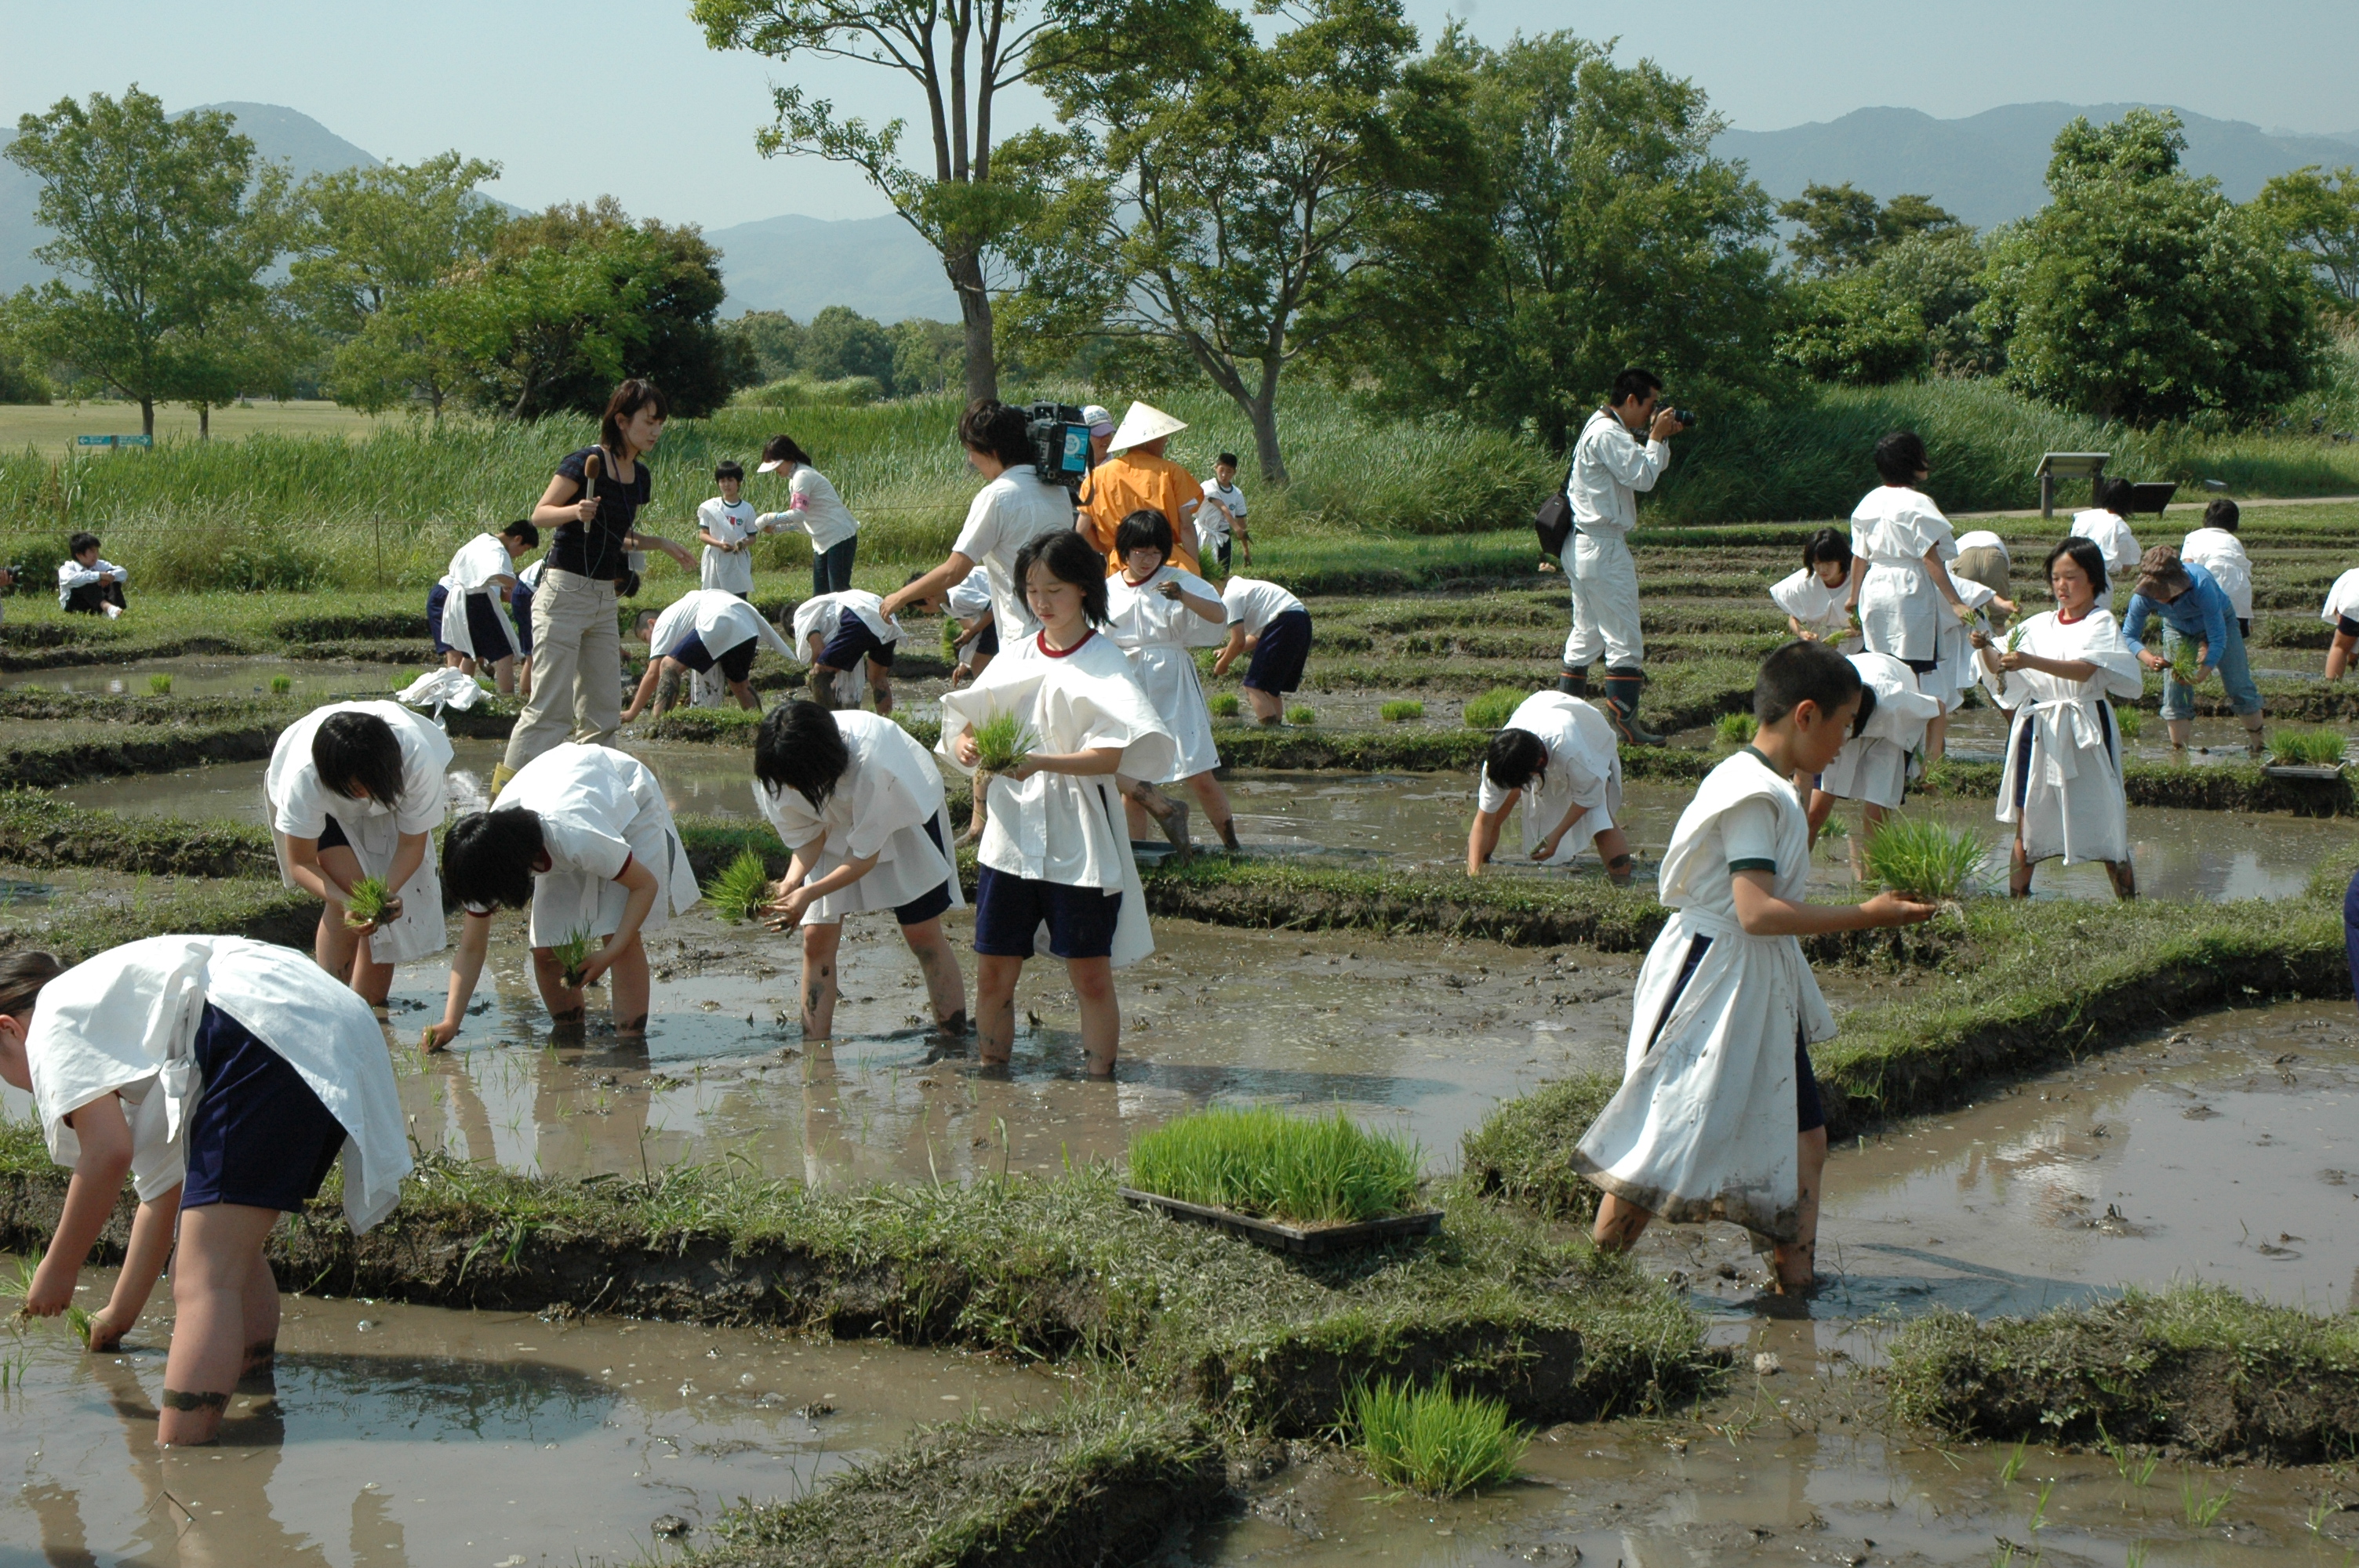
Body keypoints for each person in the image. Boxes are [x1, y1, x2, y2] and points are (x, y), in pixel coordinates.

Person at [1572, 641, 1938, 1291]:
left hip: (1758, 979)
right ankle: (1594, 1281)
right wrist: (1869, 913)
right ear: (1805, 715)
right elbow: (1757, 912)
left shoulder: (1770, 785)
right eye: (1843, 725)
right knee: (1664, 1135)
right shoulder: (1751, 794)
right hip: (1714, 977)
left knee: (1804, 1142)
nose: (1846, 743)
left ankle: (1795, 1286)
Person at [0, 937, 409, 1444]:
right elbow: (163, 1195)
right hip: (323, 1015)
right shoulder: (133, 1027)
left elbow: (106, 1155)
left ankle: (183, 1457)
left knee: (202, 1274)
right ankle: (253, 1388)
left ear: (9, 1029)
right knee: (229, 1248)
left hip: (266, 1028)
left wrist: (58, 1269)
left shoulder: (53, 1018)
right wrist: (116, 1317)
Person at [936, 530, 1177, 1077]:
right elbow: (968, 720)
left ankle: (1099, 1086)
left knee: (1090, 975)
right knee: (994, 972)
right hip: (1011, 837)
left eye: (1054, 590)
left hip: (1079, 836)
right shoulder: (1016, 655)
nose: (1042, 602)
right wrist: (966, 743)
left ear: (1084, 589)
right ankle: (992, 1077)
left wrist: (1042, 762)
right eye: (1031, 590)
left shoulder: (1105, 660)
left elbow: (1111, 755)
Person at [496, 379, 695, 793]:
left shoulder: (640, 476)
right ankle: (502, 802)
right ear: (621, 420)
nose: (656, 430)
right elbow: (540, 515)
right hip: (564, 592)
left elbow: (615, 535)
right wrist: (575, 510)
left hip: (604, 598)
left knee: (603, 713)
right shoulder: (585, 462)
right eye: (649, 421)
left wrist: (661, 543)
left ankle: (594, 797)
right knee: (549, 710)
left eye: (660, 422)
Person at [432, 742, 700, 1047]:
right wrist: (450, 1022)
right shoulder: (483, 853)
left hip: (623, 796)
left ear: (507, 874)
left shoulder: (574, 835)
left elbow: (644, 885)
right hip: (560, 789)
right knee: (546, 950)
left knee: (618, 936)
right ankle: (569, 1035)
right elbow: (471, 948)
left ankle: (631, 1043)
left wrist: (608, 955)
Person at [751, 701, 967, 1043]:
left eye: (796, 782)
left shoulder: (871, 761)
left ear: (819, 766)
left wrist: (809, 893)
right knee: (815, 939)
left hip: (900, 813)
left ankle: (953, 1038)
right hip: (836, 820)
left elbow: (866, 855)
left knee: (922, 934)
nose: (789, 790)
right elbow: (809, 837)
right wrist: (790, 884)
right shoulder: (780, 771)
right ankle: (815, 1049)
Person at [1973, 539, 2142, 900]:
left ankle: (2129, 902)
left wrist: (2028, 661)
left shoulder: (2100, 621)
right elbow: (1999, 665)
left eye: (2071, 577)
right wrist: (1984, 646)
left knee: (2104, 810)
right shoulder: (2038, 624)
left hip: (2086, 723)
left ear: (2093, 579)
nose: (2062, 586)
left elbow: (2084, 670)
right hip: (2038, 727)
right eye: (2055, 578)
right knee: (2029, 814)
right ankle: (2017, 900)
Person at [265, 700, 455, 1004]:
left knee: (375, 907)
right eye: (356, 789)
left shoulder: (418, 762)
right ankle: (333, 1001)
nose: (364, 794)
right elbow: (300, 862)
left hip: (394, 795)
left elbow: (411, 845)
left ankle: (367, 1005)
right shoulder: (306, 779)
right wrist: (347, 903)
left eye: (370, 785)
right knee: (352, 887)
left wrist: (384, 895)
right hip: (329, 809)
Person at [881, 400, 1071, 654]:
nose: (971, 459)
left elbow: (953, 573)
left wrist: (899, 597)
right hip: (1066, 629)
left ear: (991, 451)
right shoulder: (1057, 489)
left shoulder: (997, 496)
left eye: (971, 450)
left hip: (1025, 636)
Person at [1554, 369, 1682, 745]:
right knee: (1624, 639)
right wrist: (1655, 438)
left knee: (1588, 634)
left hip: (1583, 543)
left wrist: (1660, 439)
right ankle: (1627, 727)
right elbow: (1643, 478)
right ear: (1630, 400)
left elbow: (1643, 468)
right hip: (1603, 547)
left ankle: (1565, 718)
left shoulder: (1599, 425)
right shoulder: (1609, 433)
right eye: (1650, 404)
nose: (1652, 412)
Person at [1106, 508, 1238, 850]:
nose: (1147, 560)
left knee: (1198, 769)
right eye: (1140, 552)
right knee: (1134, 775)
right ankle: (1138, 852)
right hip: (1128, 682)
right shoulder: (1107, 589)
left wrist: (1183, 596)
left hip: (1172, 678)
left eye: (1155, 553)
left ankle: (1232, 845)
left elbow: (1218, 615)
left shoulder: (1179, 581)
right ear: (1125, 551)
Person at [1848, 431, 1974, 763]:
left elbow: (1859, 556)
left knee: (1882, 665)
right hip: (1908, 592)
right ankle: (1916, 751)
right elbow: (1930, 558)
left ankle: (1888, 743)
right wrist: (1956, 602)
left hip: (1876, 588)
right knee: (1913, 671)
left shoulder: (1868, 502)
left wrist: (1853, 597)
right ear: (1912, 462)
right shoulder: (1918, 503)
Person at [1466, 691, 1632, 884]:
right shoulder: (1499, 762)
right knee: (1498, 810)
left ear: (1537, 767)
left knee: (1599, 817)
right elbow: (1483, 821)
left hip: (1588, 732)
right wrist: (1473, 876)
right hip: (1538, 708)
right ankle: (1481, 867)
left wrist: (1555, 836)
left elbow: (1588, 797)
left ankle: (1622, 881)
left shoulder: (1573, 753)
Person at [2123, 544, 2265, 759]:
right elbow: (2129, 635)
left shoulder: (2201, 584)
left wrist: (2204, 671)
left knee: (2238, 684)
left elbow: (2218, 637)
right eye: (2156, 592)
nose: (2161, 597)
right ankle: (2179, 755)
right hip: (2177, 628)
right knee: (2175, 691)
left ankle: (2259, 746)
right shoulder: (2143, 596)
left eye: (2167, 592)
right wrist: (2149, 659)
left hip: (2221, 622)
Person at [1804, 652, 1940, 870]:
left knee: (1876, 817)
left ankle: (1870, 884)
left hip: (1888, 728)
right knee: (1813, 812)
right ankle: (1793, 876)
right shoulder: (1826, 701)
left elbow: (1938, 708)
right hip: (1853, 693)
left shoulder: (1894, 704)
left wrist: (1932, 761)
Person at [623, 589, 796, 720]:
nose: (650, 645)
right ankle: (759, 724)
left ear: (651, 624)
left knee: (668, 666)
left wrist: (632, 713)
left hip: (719, 617)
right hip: (745, 620)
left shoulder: (663, 623)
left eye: (646, 638)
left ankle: (659, 723)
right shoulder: (685, 611)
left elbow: (653, 674)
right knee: (739, 684)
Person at [1077, 401, 1204, 576]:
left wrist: (1109, 550)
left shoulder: (1096, 477)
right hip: (1167, 562)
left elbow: (1082, 530)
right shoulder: (1172, 472)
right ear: (1149, 440)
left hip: (1121, 568)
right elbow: (1186, 526)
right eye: (1162, 439)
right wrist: (1195, 568)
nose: (1165, 443)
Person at [437, 521, 539, 693]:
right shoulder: (496, 549)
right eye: (525, 549)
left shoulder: (481, 540)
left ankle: (459, 694)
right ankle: (507, 698)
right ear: (517, 539)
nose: (521, 554)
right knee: (505, 654)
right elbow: (497, 573)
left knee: (471, 654)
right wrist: (518, 587)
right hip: (475, 600)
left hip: (460, 599)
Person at [755, 434, 862, 594]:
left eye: (777, 465)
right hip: (822, 542)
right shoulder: (794, 479)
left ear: (788, 458)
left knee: (839, 592)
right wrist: (777, 529)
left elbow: (798, 514)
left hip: (839, 536)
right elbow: (802, 523)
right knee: (820, 596)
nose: (775, 470)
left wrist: (767, 519)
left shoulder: (802, 476)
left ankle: (862, 611)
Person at [791, 583, 912, 713]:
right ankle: (886, 720)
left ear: (792, 627)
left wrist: (814, 678)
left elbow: (819, 652)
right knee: (878, 677)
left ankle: (829, 722)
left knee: (819, 676)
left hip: (860, 617)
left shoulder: (801, 617)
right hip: (886, 615)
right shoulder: (822, 606)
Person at [1211, 575, 1313, 725]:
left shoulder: (1230, 597)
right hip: (1300, 620)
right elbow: (1257, 637)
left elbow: (1238, 641)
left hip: (1284, 623)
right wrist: (1227, 650)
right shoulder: (1243, 588)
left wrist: (1222, 664)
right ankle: (1277, 727)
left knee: (1254, 685)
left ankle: (1269, 729)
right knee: (1269, 687)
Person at [2179, 499, 2253, 638]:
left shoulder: (2193, 537)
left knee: (2205, 638)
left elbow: (2188, 567)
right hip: (2237, 593)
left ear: (2206, 517)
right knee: (2234, 639)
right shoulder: (2233, 540)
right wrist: (2248, 616)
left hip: (2207, 590)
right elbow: (2245, 574)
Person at [1768, 528, 1857, 644]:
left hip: (1855, 644)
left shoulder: (1857, 581)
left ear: (1841, 559)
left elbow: (1863, 626)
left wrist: (1840, 636)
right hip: (1816, 644)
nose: (1822, 569)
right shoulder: (1804, 582)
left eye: (1829, 563)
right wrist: (1803, 633)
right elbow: (1794, 617)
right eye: (1817, 563)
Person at [698, 459, 770, 598]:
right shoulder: (711, 507)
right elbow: (703, 534)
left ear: (739, 482)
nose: (726, 485)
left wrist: (743, 543)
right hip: (715, 558)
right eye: (722, 481)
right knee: (713, 598)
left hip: (737, 559)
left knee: (738, 598)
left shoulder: (747, 509)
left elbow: (752, 537)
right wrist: (719, 544)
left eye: (730, 480)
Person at [2070, 477, 2144, 600]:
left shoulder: (2083, 517)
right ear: (2128, 501)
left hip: (2071, 576)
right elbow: (2126, 565)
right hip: (2097, 582)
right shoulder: (2119, 526)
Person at [946, 563, 999, 686]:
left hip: (1000, 606)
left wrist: (972, 632)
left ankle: (989, 696)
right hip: (993, 611)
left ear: (928, 598)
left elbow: (993, 609)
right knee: (979, 664)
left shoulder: (956, 595)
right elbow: (970, 630)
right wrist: (964, 662)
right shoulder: (945, 604)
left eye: (920, 608)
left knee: (979, 664)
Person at [1198, 452, 1251, 572]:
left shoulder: (1237, 494)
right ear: (1215, 468)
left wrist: (1246, 550)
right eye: (1221, 470)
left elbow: (1241, 522)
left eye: (1229, 471)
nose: (1224, 475)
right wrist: (1236, 528)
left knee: (1223, 572)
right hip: (1204, 533)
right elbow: (1223, 509)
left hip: (1223, 535)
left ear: (1234, 472)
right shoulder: (1208, 486)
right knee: (1201, 571)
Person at [57, 532, 127, 616]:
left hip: (94, 605)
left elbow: (122, 573)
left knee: (114, 580)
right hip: (74, 606)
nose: (96, 555)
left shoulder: (100, 564)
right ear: (79, 555)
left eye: (97, 551)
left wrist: (108, 576)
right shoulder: (67, 568)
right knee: (85, 581)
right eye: (92, 551)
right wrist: (99, 576)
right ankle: (109, 609)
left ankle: (116, 610)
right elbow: (70, 579)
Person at [510, 554, 545, 699]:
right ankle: (526, 696)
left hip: (531, 591)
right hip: (528, 593)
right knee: (533, 652)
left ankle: (527, 696)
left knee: (535, 652)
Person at [2323, 563, 2359, 679]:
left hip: (2353, 605)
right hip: (2354, 604)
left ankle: (2331, 684)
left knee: (2340, 647)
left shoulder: (2349, 576)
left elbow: (2340, 614)